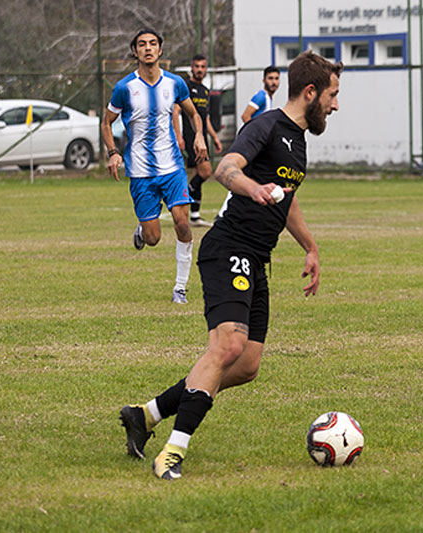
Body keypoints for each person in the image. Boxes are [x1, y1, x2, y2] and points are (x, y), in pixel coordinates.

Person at [118, 50, 343, 480]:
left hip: (256, 258)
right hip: (228, 247)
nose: (336, 105)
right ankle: (172, 453)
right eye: (332, 95)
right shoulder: (266, 126)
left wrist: (310, 247)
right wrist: (252, 188)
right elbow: (226, 169)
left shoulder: (298, 143)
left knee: (246, 365)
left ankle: (145, 415)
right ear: (310, 92)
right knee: (226, 348)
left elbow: (287, 201)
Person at [101, 29, 207, 304]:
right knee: (153, 238)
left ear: (160, 50)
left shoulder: (175, 83)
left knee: (183, 223)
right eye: (141, 45)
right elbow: (106, 122)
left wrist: (199, 136)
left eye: (152, 44)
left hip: (172, 167)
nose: (148, 48)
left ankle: (180, 288)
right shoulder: (125, 88)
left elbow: (193, 114)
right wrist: (113, 152)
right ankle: (142, 229)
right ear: (135, 52)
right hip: (140, 172)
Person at [172, 54, 224, 228]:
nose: (200, 70)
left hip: (202, 138)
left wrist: (214, 137)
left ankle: (194, 215)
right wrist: (178, 135)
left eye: (203, 67)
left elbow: (204, 117)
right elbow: (175, 111)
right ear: (191, 68)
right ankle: (179, 195)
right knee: (205, 172)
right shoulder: (186, 87)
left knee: (199, 174)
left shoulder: (205, 90)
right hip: (190, 137)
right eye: (197, 67)